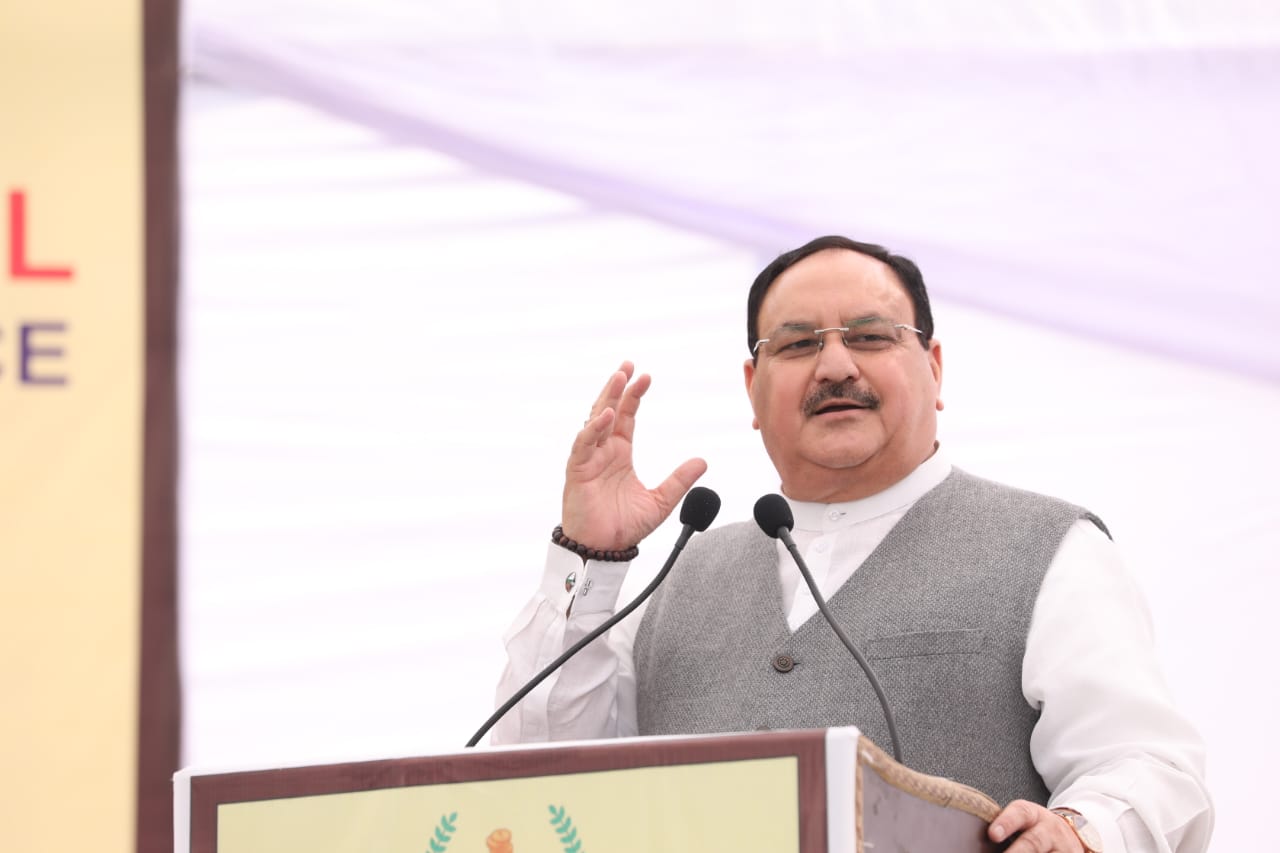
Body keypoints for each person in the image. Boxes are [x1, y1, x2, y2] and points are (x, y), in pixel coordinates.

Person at [493, 236, 1212, 853]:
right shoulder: (681, 573)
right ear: (752, 387)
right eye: (800, 343)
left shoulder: (1049, 548)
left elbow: (1147, 761)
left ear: (935, 369)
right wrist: (589, 555)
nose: (835, 365)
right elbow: (536, 775)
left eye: (869, 336)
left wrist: (1080, 827)